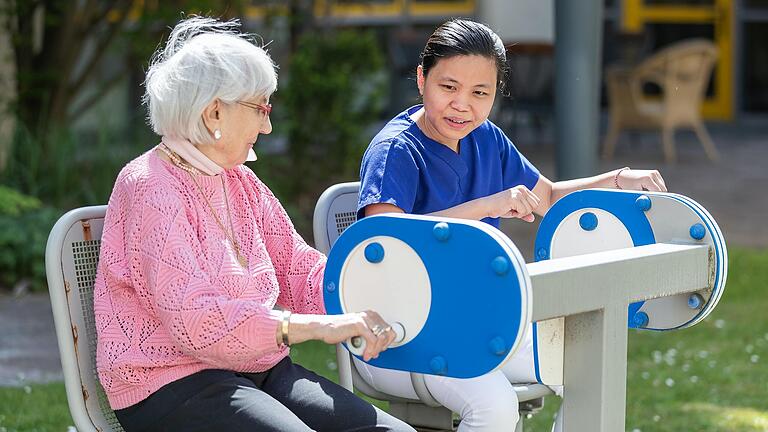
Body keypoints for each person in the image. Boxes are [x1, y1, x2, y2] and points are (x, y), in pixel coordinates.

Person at [93, 17, 414, 432]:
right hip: (172, 381)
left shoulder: (239, 179)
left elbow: (299, 267)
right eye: (261, 108)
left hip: (258, 368)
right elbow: (198, 323)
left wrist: (374, 295)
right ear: (213, 112)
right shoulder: (150, 186)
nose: (267, 125)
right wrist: (317, 326)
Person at [357, 19, 668, 432]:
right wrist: (487, 204)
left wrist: (615, 179)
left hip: (477, 320)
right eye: (448, 87)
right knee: (496, 407)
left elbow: (550, 197)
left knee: (589, 364)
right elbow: (385, 240)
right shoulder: (396, 150)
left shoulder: (487, 139)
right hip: (400, 334)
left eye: (480, 93)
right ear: (421, 79)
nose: (462, 104)